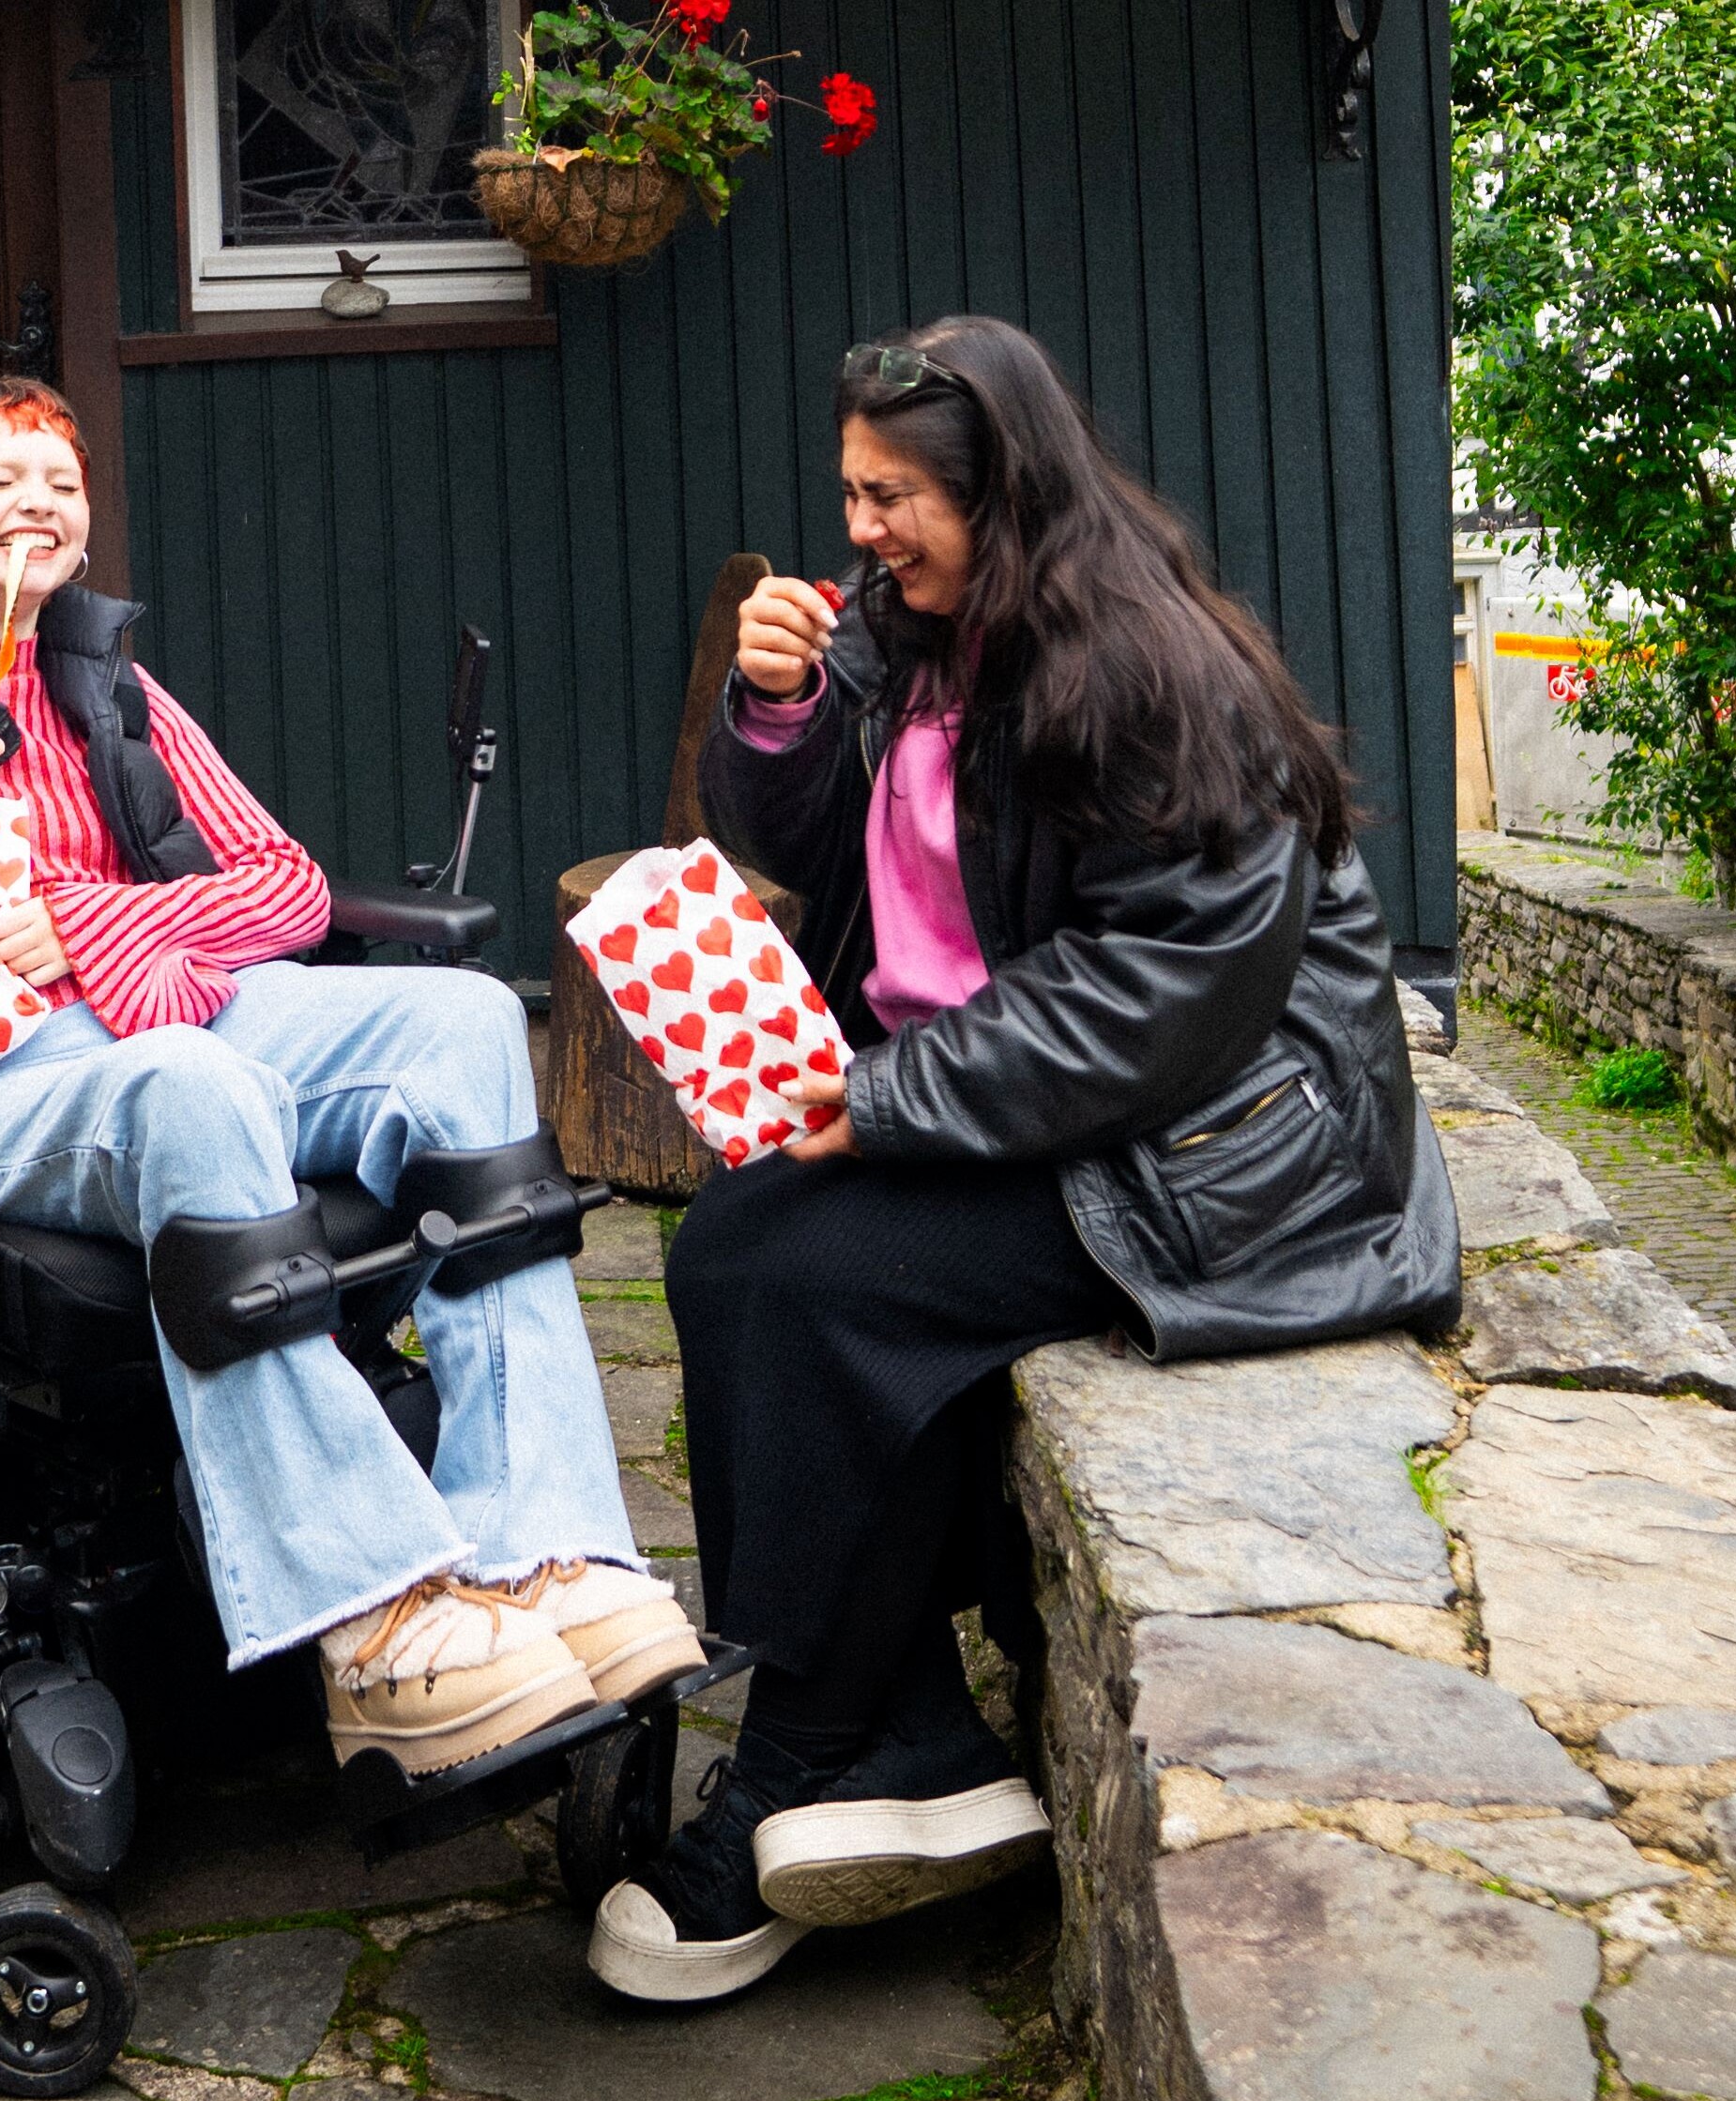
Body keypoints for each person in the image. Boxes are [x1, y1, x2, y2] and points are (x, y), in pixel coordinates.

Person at [588, 317, 1462, 2002]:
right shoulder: (905, 630)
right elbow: (800, 841)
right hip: (1005, 1092)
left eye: (897, 494)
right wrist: (769, 715)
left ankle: (808, 1750)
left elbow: (1169, 990)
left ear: (1011, 490)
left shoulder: (1146, 669)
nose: (861, 527)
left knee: (821, 1279)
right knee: (729, 1251)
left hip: (1208, 1144)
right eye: (852, 489)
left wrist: (906, 1100)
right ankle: (893, 1714)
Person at [0, 375, 702, 1776]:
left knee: (458, 1021)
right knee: (186, 1084)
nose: (37, 501)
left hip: (154, 1008)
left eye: (62, 483)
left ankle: (544, 1550)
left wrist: (104, 918)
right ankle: (379, 1613)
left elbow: (279, 884)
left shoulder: (108, 677)